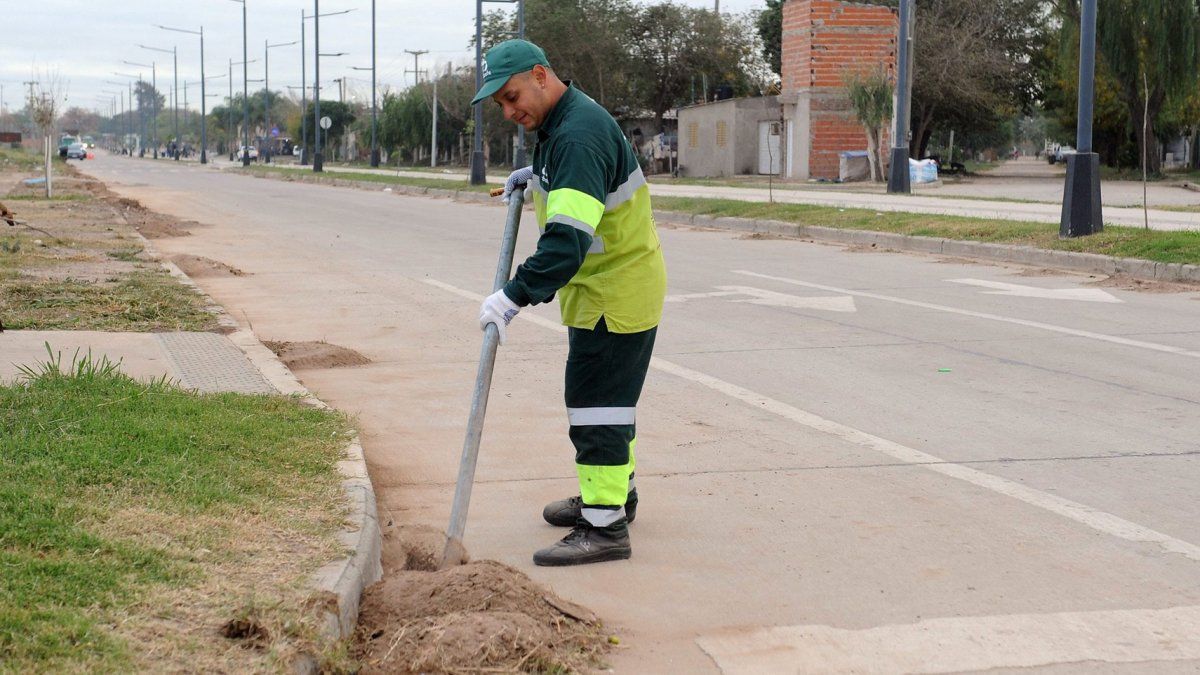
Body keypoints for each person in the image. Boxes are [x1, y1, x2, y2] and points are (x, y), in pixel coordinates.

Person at [473, 39, 667, 567]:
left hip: (613, 293)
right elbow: (573, 190)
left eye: (513, 97)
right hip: (607, 289)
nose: (512, 112)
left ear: (541, 75)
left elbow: (565, 244)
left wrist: (512, 296)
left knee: (596, 408)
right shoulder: (562, 125)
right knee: (611, 403)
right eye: (501, 106)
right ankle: (615, 498)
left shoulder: (577, 135)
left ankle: (603, 529)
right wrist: (536, 180)